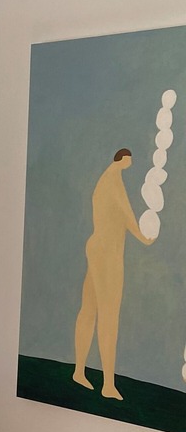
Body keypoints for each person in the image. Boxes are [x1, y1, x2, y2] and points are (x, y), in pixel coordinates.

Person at [72, 148, 155, 400]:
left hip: (97, 249)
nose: (131, 163)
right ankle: (108, 384)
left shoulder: (107, 179)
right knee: (109, 317)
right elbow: (127, 216)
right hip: (106, 255)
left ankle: (79, 371)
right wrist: (144, 238)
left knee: (89, 309)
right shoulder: (112, 180)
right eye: (129, 159)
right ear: (122, 160)